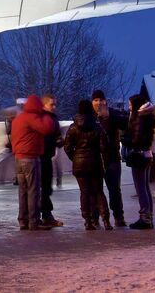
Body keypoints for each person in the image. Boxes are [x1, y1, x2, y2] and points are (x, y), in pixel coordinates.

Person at [10, 94, 54, 230]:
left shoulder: (18, 118)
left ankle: (23, 220)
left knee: (22, 191)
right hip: (30, 158)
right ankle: (34, 221)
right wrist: (46, 114)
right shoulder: (32, 117)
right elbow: (47, 128)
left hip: (18, 158)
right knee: (33, 190)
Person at [64, 99, 110, 230]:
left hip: (79, 164)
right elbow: (104, 146)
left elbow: (67, 147)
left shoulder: (73, 127)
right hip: (95, 163)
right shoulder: (97, 126)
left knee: (84, 192)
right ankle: (106, 220)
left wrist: (76, 158)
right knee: (99, 192)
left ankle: (88, 221)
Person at [92, 89, 128, 227]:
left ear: (105, 101)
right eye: (96, 100)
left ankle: (119, 216)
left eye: (101, 100)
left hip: (111, 157)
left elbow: (125, 123)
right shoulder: (89, 116)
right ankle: (95, 218)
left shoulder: (112, 113)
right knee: (96, 190)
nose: (99, 103)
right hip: (95, 158)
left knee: (114, 189)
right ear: (92, 102)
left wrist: (109, 117)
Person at [126, 94, 155, 229]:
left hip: (138, 155)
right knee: (145, 187)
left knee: (140, 187)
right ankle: (149, 216)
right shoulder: (149, 115)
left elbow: (136, 139)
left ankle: (144, 218)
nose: (129, 107)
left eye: (130, 104)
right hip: (147, 154)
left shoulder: (139, 117)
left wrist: (126, 139)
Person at [40, 94, 64, 227]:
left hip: (47, 156)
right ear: (44, 105)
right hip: (41, 157)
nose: (54, 107)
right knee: (44, 188)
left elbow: (56, 135)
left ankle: (45, 214)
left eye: (55, 104)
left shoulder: (53, 119)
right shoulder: (42, 119)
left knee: (46, 187)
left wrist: (59, 140)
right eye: (51, 104)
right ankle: (46, 215)